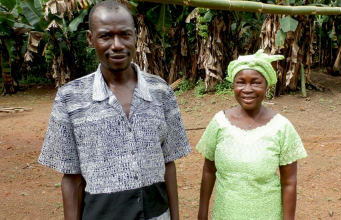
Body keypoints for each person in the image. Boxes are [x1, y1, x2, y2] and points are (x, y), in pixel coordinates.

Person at [38, 1, 191, 220]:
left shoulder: (160, 92)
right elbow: (71, 178)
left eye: (125, 35)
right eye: (106, 36)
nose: (117, 44)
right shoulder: (70, 98)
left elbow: (168, 164)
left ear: (135, 37)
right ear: (91, 39)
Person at [196, 49, 307, 220]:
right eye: (241, 83)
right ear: (233, 85)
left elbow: (289, 182)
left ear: (267, 86)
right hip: (225, 214)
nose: (247, 89)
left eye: (256, 83)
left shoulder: (281, 127)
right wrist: (202, 214)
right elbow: (209, 170)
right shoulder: (219, 122)